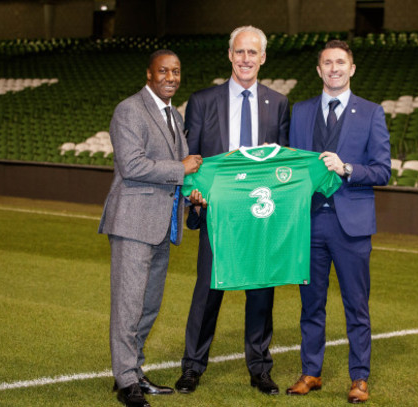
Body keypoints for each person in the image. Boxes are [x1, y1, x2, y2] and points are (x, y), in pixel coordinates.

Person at [175, 25, 290, 396]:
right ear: (229, 55)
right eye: (239, 52)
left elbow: (281, 166)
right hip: (217, 214)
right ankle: (192, 367)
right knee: (208, 293)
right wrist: (193, 194)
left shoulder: (279, 103)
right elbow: (192, 157)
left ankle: (260, 368)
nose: (245, 59)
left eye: (252, 53)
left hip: (260, 215)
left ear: (263, 58)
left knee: (260, 294)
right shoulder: (203, 101)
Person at [285, 40, 391, 404]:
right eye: (327, 63)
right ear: (318, 70)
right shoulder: (299, 112)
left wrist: (346, 168)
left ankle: (359, 378)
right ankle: (311, 372)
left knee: (356, 305)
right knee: (310, 304)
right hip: (308, 223)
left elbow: (383, 170)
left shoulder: (372, 112)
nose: (334, 68)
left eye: (340, 62)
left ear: (352, 68)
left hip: (352, 227)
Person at [98, 49, 203, 407]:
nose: (171, 77)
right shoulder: (129, 110)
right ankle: (125, 379)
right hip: (132, 222)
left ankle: (135, 371)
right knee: (129, 304)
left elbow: (183, 175)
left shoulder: (174, 115)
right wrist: (182, 168)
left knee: (148, 305)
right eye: (164, 71)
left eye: (176, 71)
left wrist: (193, 197)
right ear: (149, 74)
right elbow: (132, 165)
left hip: (162, 225)